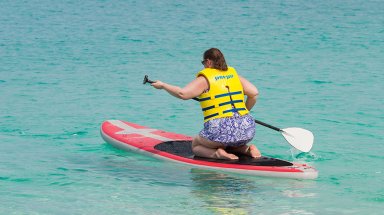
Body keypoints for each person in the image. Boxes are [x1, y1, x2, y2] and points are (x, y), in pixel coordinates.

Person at [151, 48, 261, 160]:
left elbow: (182, 94)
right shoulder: (234, 75)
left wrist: (163, 85)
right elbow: (254, 93)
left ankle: (218, 154)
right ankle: (247, 149)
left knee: (196, 145)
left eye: (203, 63)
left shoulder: (205, 79)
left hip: (221, 130)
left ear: (208, 62)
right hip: (247, 128)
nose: (203, 65)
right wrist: (243, 112)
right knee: (229, 141)